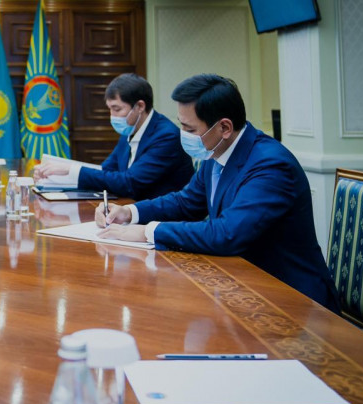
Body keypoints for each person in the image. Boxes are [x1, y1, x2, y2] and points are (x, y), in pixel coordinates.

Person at [95, 74, 340, 313]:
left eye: (189, 128)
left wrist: (148, 232)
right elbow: (186, 202)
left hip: (292, 299)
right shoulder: (217, 151)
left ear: (224, 127)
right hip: (239, 284)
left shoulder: (271, 165)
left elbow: (227, 233)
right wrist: (130, 212)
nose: (182, 134)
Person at [33, 73, 194, 200]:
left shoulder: (166, 136)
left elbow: (130, 183)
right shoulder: (130, 129)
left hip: (163, 219)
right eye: (110, 109)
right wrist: (57, 175)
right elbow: (107, 170)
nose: (112, 116)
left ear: (139, 106)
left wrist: (73, 170)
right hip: (130, 208)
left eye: (117, 109)